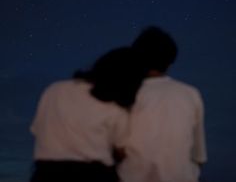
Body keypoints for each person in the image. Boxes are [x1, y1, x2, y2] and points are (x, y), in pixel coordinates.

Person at [30, 47, 146, 182]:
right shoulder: (116, 108)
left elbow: (38, 129)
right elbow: (121, 150)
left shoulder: (55, 90)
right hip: (95, 175)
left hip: (47, 174)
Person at [118, 26, 207, 182]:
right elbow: (198, 157)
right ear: (171, 60)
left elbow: (116, 147)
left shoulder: (125, 93)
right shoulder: (190, 94)